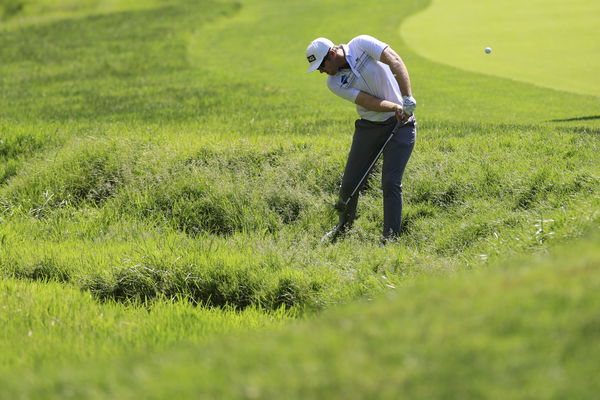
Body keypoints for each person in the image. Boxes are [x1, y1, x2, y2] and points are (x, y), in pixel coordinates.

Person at [305, 35, 417, 243]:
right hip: (369, 127)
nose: (321, 71)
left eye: (321, 65)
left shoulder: (361, 44)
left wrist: (407, 98)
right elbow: (368, 101)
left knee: (390, 182)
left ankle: (390, 239)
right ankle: (343, 228)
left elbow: (394, 60)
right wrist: (396, 107)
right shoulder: (334, 82)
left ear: (332, 53)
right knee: (349, 184)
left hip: (402, 125)